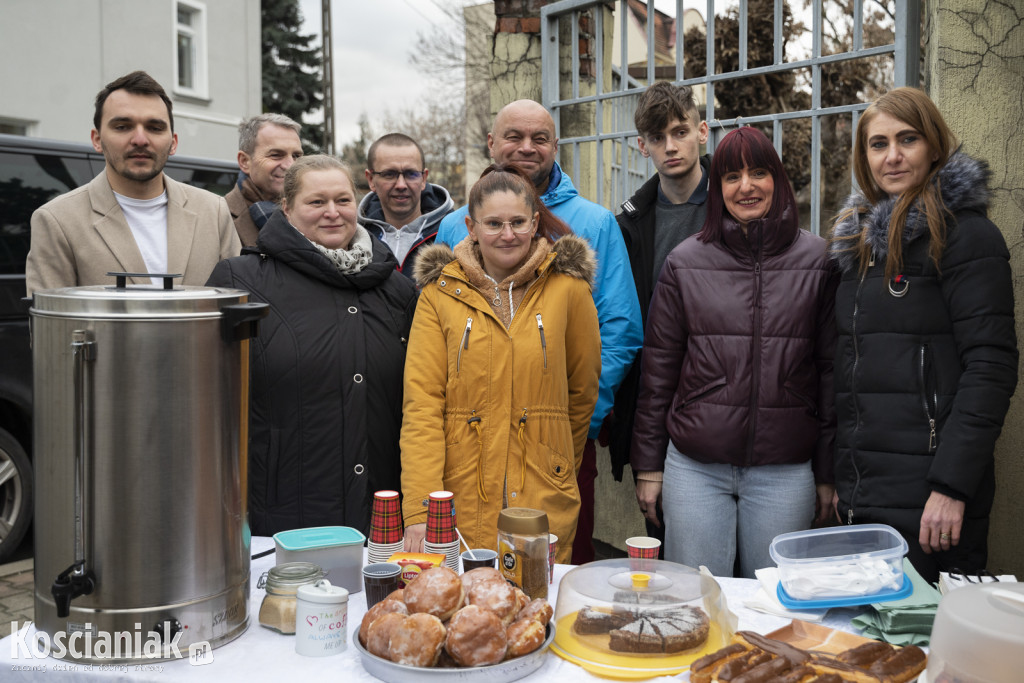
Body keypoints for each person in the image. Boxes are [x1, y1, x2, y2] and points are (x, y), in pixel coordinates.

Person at [437, 100, 642, 564]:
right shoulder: (456, 225)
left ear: (555, 146)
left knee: (558, 564)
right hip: (473, 440)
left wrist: (578, 421)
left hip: (561, 436)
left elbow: (619, 329)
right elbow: (441, 333)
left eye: (539, 138)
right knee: (476, 565)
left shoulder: (594, 223)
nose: (526, 148)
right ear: (491, 142)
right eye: (514, 136)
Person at [828, 87, 1017, 582]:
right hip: (862, 495)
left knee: (927, 651)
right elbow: (845, 368)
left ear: (934, 146)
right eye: (877, 144)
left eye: (906, 139)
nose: (892, 156)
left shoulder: (966, 236)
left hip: (932, 502)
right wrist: (835, 478)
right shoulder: (858, 244)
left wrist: (952, 488)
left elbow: (991, 367)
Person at [631, 127, 838, 578]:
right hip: (695, 467)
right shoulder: (685, 262)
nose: (746, 186)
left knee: (775, 609)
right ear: (717, 187)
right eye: (731, 176)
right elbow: (658, 373)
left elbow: (830, 374)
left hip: (784, 469)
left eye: (759, 172)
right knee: (696, 602)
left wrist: (826, 472)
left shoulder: (819, 260)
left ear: (777, 180)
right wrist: (648, 466)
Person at [207, 155, 418, 537]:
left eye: (343, 200)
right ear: (286, 208)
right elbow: (210, 403)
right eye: (316, 202)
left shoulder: (398, 290)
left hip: (382, 517)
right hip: (282, 519)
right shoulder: (241, 283)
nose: (333, 213)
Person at [401, 164, 601, 564]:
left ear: (535, 222)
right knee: (465, 614)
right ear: (471, 227)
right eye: (493, 223)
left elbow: (581, 393)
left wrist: (556, 458)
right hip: (460, 492)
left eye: (517, 222)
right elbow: (421, 405)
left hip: (543, 491)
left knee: (533, 609)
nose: (507, 234)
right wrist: (421, 507)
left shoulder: (569, 290)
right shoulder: (440, 295)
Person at [26, 71, 240, 295]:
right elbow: (50, 324)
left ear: (173, 143)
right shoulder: (57, 220)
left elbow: (238, 312)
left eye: (155, 128)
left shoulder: (214, 211)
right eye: (122, 126)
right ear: (97, 140)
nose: (140, 139)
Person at [611, 82, 711, 544]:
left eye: (680, 131)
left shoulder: (736, 204)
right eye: (657, 137)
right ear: (642, 145)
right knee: (673, 549)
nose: (670, 146)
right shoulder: (629, 222)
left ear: (702, 132)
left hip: (723, 392)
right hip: (657, 401)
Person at [359, 133, 454, 280]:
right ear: (371, 179)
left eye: (411, 174)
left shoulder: (453, 234)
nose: (401, 185)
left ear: (424, 178)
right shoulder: (353, 238)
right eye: (389, 174)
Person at [226, 113, 304, 247]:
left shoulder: (313, 213)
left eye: (296, 156)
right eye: (276, 155)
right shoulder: (219, 218)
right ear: (244, 161)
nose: (290, 165)